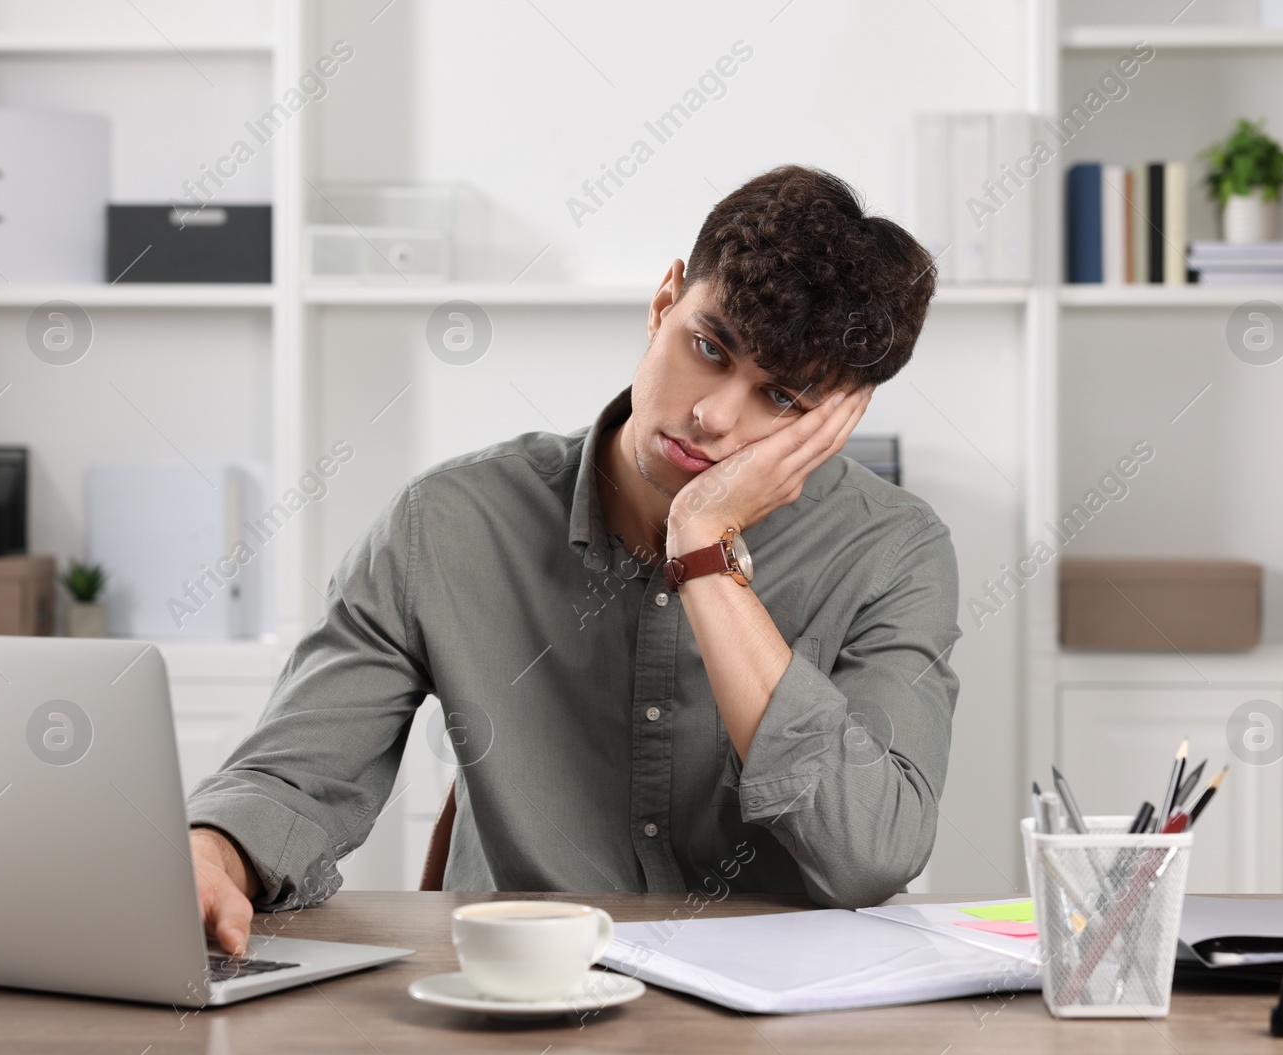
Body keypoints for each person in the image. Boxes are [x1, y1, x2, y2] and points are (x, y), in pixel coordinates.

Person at [187, 165, 960, 956]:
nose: (714, 415)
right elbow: (293, 778)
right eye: (708, 347)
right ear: (664, 302)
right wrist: (212, 850)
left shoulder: (892, 550)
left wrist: (702, 551)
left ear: (833, 420)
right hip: (518, 1007)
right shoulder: (448, 523)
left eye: (782, 399)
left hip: (778, 1026)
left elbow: (871, 852)